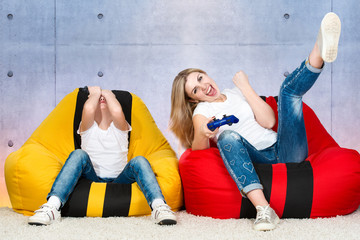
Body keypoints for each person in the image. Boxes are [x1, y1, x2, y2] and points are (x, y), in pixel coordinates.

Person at [170, 12, 341, 231]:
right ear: (193, 99)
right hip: (256, 160)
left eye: (200, 78)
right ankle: (264, 210)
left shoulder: (235, 92)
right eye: (195, 89)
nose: (203, 86)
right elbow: (199, 150)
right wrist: (203, 132)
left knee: (287, 91)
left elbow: (269, 121)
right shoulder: (202, 110)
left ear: (206, 74)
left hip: (286, 150)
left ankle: (320, 45)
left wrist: (245, 87)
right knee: (227, 135)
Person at [28, 86, 177, 226]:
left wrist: (107, 93)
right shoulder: (86, 128)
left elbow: (117, 111)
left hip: (120, 178)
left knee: (139, 161)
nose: (101, 100)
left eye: (105, 99)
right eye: (98, 100)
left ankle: (159, 206)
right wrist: (95, 93)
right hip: (91, 176)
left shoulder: (121, 128)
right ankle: (52, 207)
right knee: (78, 154)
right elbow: (88, 108)